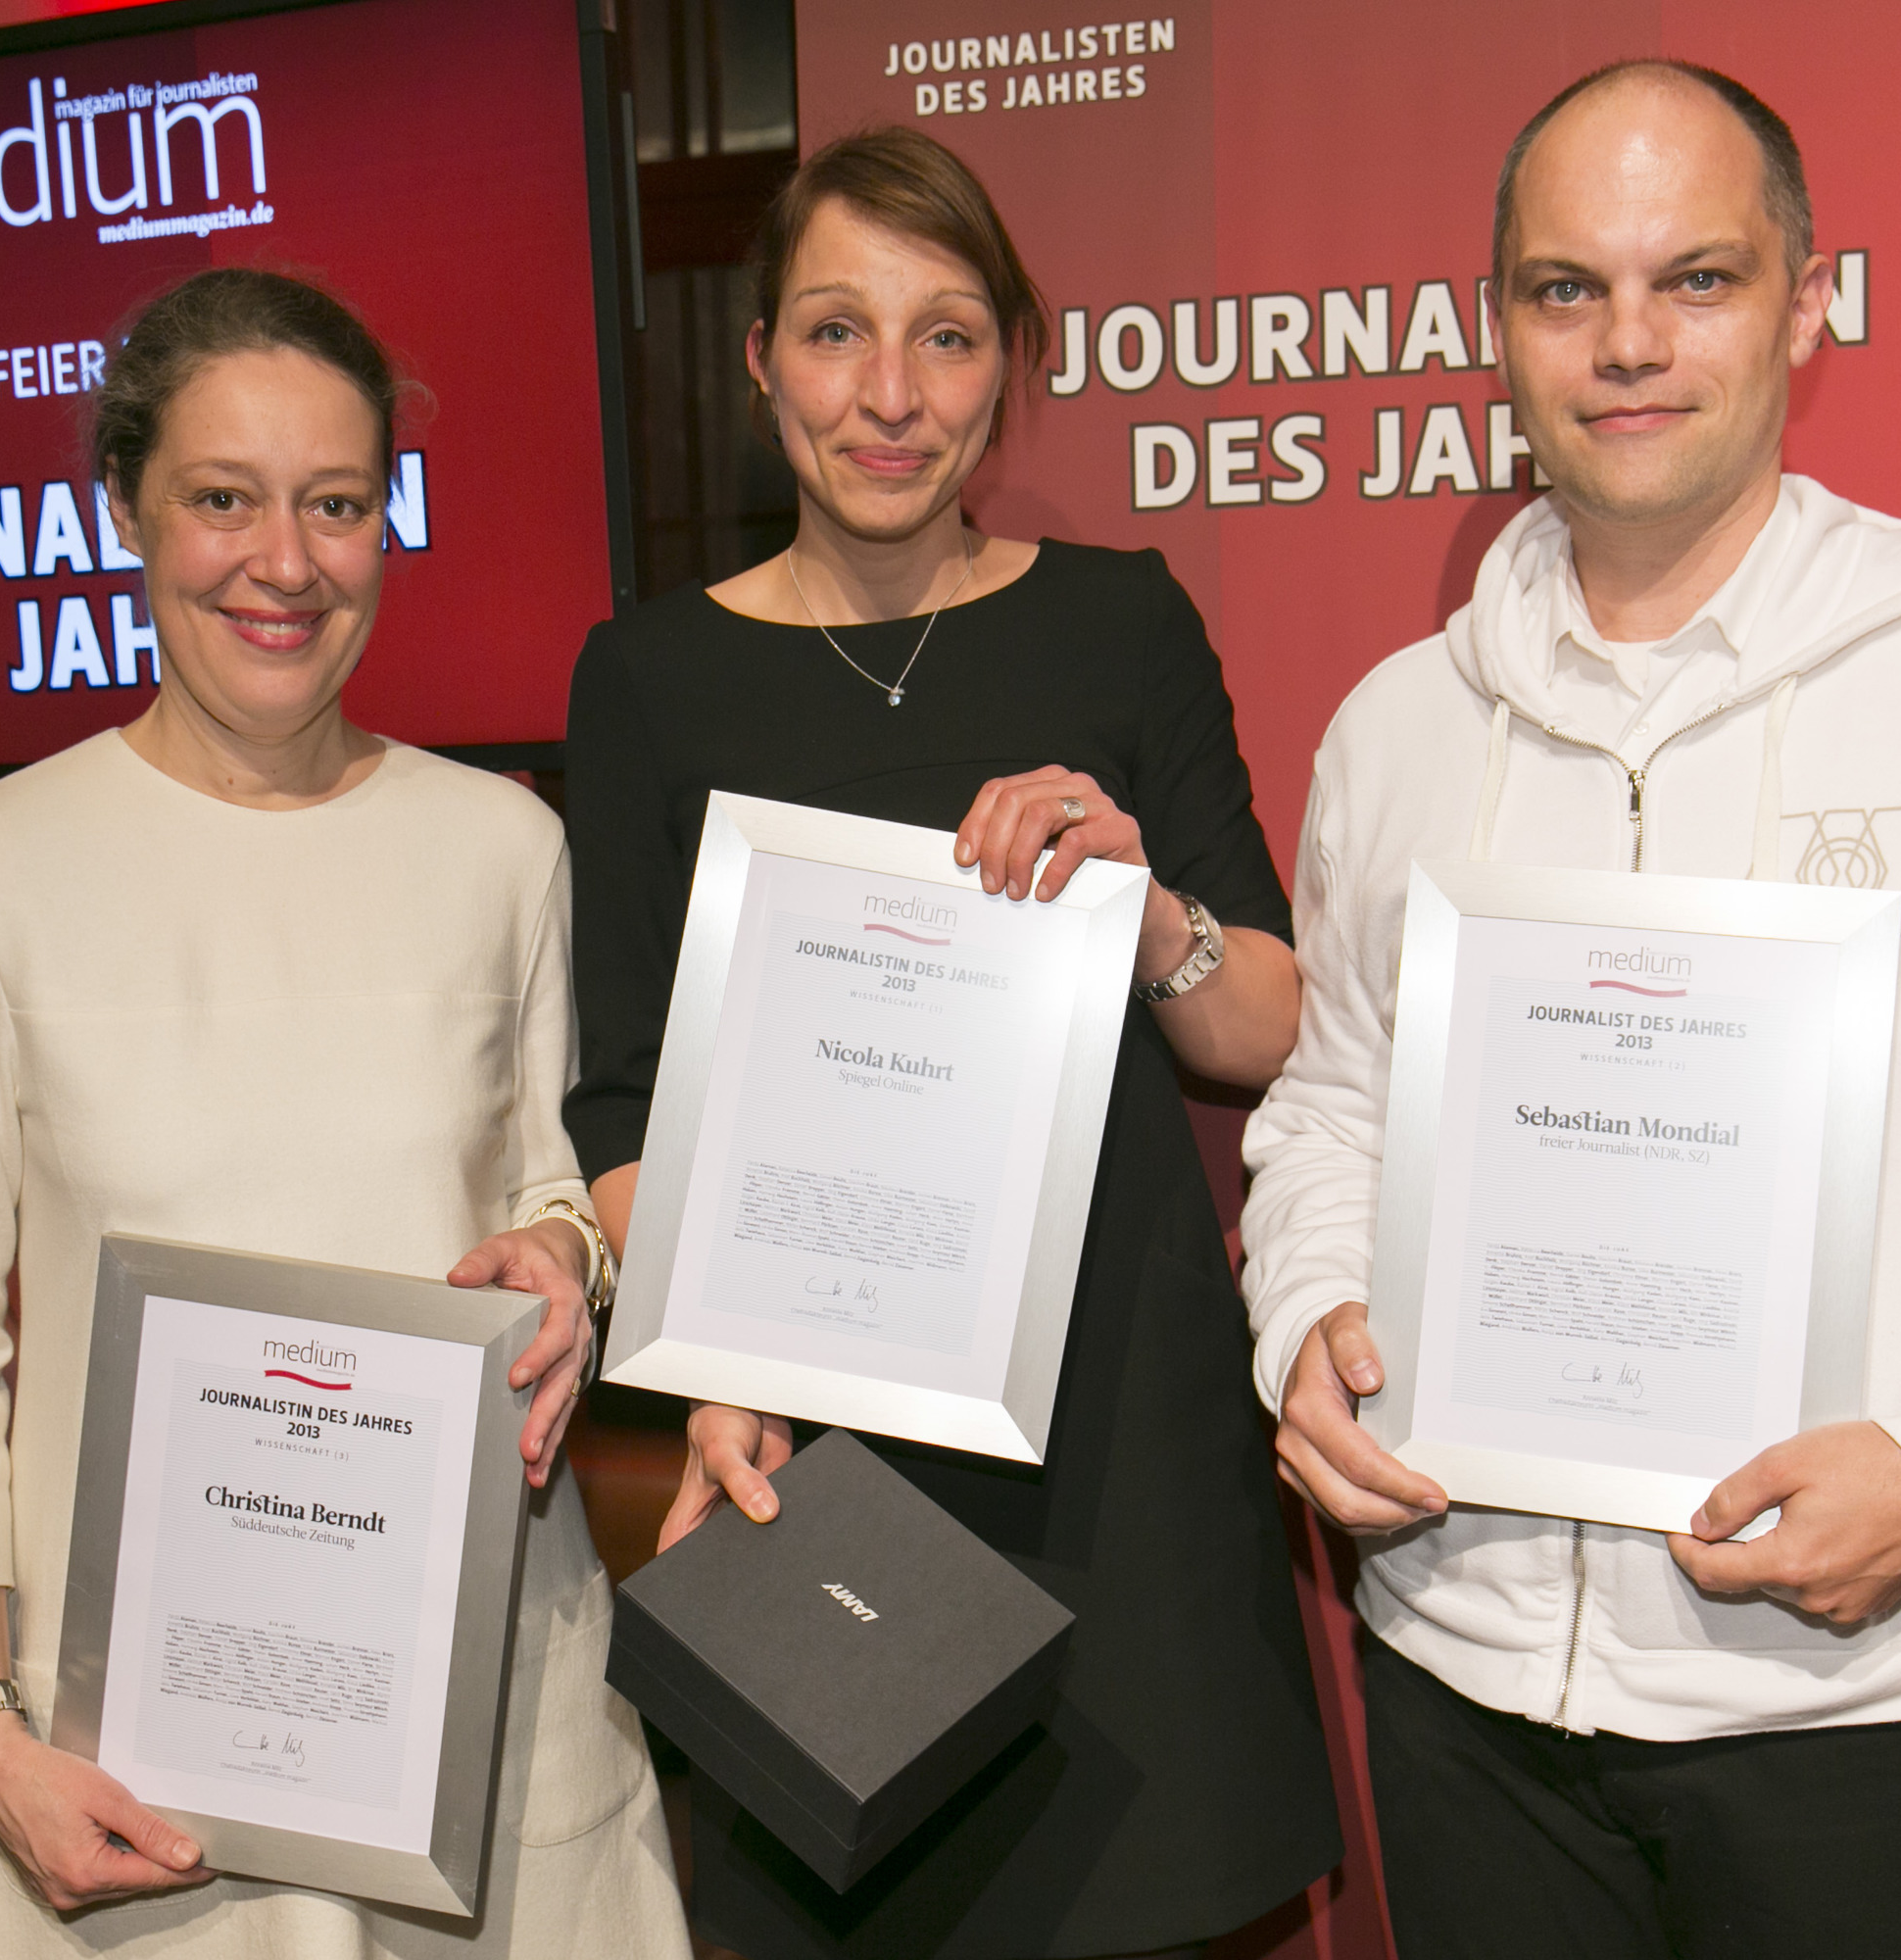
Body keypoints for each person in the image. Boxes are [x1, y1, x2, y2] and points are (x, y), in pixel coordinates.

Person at [1241, 61, 1901, 1960]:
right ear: (1495, 327)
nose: (1627, 342)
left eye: (1696, 279)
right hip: (1461, 1676)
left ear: (1808, 300)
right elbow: (1329, 1102)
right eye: (1566, 289)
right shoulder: (1399, 725)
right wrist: (1306, 1317)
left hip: (1865, 1697)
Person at [0, 269, 688, 1960]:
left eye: (336, 505)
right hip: (130, 1775)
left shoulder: (503, 844)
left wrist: (564, 1258)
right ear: (129, 516)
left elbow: (555, 1186)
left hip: (492, 1732)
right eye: (223, 500)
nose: (283, 562)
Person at [562, 128, 1341, 1959]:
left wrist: (1149, 917)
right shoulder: (650, 677)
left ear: (1013, 367)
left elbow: (1265, 1021)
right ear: (757, 359)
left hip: (1128, 1448)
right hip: (822, 1458)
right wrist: (711, 1370)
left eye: (949, 337)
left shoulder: (1121, 619)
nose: (890, 398)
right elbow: (620, 1090)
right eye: (836, 333)